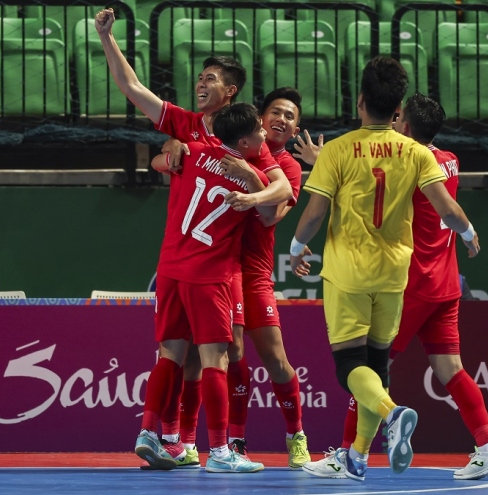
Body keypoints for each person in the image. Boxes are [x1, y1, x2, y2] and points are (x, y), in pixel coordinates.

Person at [95, 8, 293, 469]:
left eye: (210, 79)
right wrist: (108, 39)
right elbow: (133, 88)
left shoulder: (233, 136)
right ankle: (214, 447)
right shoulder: (192, 130)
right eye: (200, 77)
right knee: (213, 357)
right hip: (210, 269)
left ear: (231, 91)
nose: (200, 84)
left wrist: (249, 186)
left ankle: (158, 435)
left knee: (181, 353)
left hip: (183, 265)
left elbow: (278, 188)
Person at [289, 57, 480, 482]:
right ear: (397, 111)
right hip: (395, 276)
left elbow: (315, 214)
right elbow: (447, 208)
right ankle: (357, 456)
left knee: (349, 367)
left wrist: (296, 247)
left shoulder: (337, 150)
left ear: (360, 101)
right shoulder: (416, 152)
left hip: (348, 273)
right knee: (377, 367)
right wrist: (468, 235)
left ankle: (392, 416)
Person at [135, 102, 270, 473]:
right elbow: (271, 213)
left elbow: (159, 164)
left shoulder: (192, 150)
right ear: (243, 141)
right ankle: (221, 452)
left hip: (170, 269)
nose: (264, 135)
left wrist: (170, 149)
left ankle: (147, 433)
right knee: (216, 361)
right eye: (259, 130)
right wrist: (255, 180)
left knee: (170, 355)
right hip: (209, 274)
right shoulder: (246, 175)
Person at [212, 87, 311, 468]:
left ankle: (296, 434)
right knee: (233, 355)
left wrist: (249, 176)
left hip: (254, 271)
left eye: (290, 115)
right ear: (260, 120)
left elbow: (272, 215)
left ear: (295, 126)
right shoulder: (233, 148)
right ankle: (235, 441)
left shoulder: (288, 169)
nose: (282, 119)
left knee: (275, 359)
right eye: (276, 112)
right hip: (221, 266)